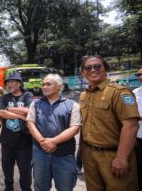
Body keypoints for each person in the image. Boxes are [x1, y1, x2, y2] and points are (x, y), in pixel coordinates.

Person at [80, 55, 139, 190]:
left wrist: (121, 158)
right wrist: (80, 152)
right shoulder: (84, 95)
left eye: (97, 66)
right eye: (88, 68)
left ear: (105, 69)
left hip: (114, 156)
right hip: (89, 155)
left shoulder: (119, 92)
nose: (93, 70)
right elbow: (85, 125)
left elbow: (131, 126)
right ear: (83, 73)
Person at [26, 74, 81, 191]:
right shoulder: (35, 104)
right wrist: (43, 142)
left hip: (64, 155)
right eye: (43, 84)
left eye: (48, 84)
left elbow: (75, 128)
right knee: (40, 187)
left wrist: (53, 141)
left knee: (65, 187)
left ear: (59, 86)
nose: (44, 87)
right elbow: (30, 123)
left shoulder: (72, 105)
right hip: (40, 154)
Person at [0, 72, 34, 191]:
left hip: (24, 141)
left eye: (12, 82)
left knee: (25, 170)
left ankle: (26, 189)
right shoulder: (4, 97)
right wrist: (20, 116)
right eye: (8, 82)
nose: (9, 84)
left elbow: (27, 111)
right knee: (7, 168)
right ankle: (9, 188)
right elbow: (1, 113)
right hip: (7, 141)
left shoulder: (28, 95)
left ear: (19, 83)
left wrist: (8, 109)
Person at [133, 66, 142, 191]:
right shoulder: (134, 93)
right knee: (138, 167)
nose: (140, 77)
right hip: (138, 137)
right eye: (138, 75)